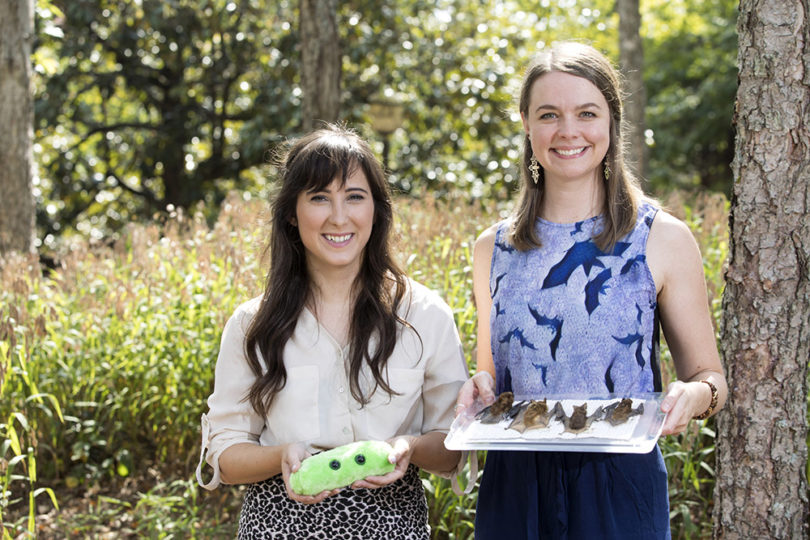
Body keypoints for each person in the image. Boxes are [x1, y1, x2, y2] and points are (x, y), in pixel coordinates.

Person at [455, 41, 727, 539]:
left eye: (586, 113)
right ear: (526, 124)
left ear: (611, 122)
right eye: (549, 114)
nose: (568, 131)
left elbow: (711, 378)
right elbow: (491, 378)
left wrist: (696, 394)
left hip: (620, 484)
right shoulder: (490, 249)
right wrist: (479, 387)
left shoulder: (661, 237)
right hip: (514, 486)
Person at [196, 124, 469, 539]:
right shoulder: (253, 324)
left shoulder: (424, 315)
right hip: (277, 527)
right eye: (319, 197)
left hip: (393, 526)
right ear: (292, 212)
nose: (339, 217)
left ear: (376, 209)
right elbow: (226, 456)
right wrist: (281, 456)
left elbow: (453, 449)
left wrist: (408, 448)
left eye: (354, 197)